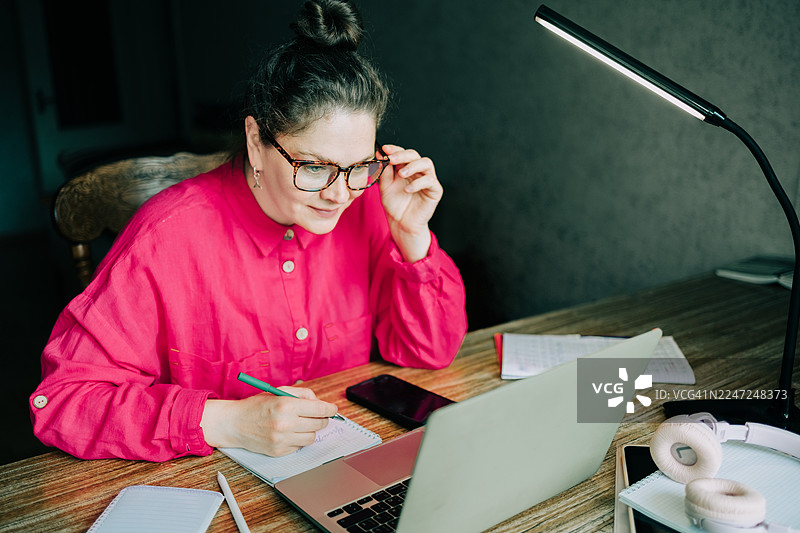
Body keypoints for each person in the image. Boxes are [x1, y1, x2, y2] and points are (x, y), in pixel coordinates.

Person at [29, 0, 467, 462]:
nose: (340, 194)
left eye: (359, 166)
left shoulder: (369, 206)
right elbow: (62, 401)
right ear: (257, 141)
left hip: (344, 465)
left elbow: (430, 352)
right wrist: (227, 421)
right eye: (315, 167)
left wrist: (412, 235)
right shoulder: (167, 236)